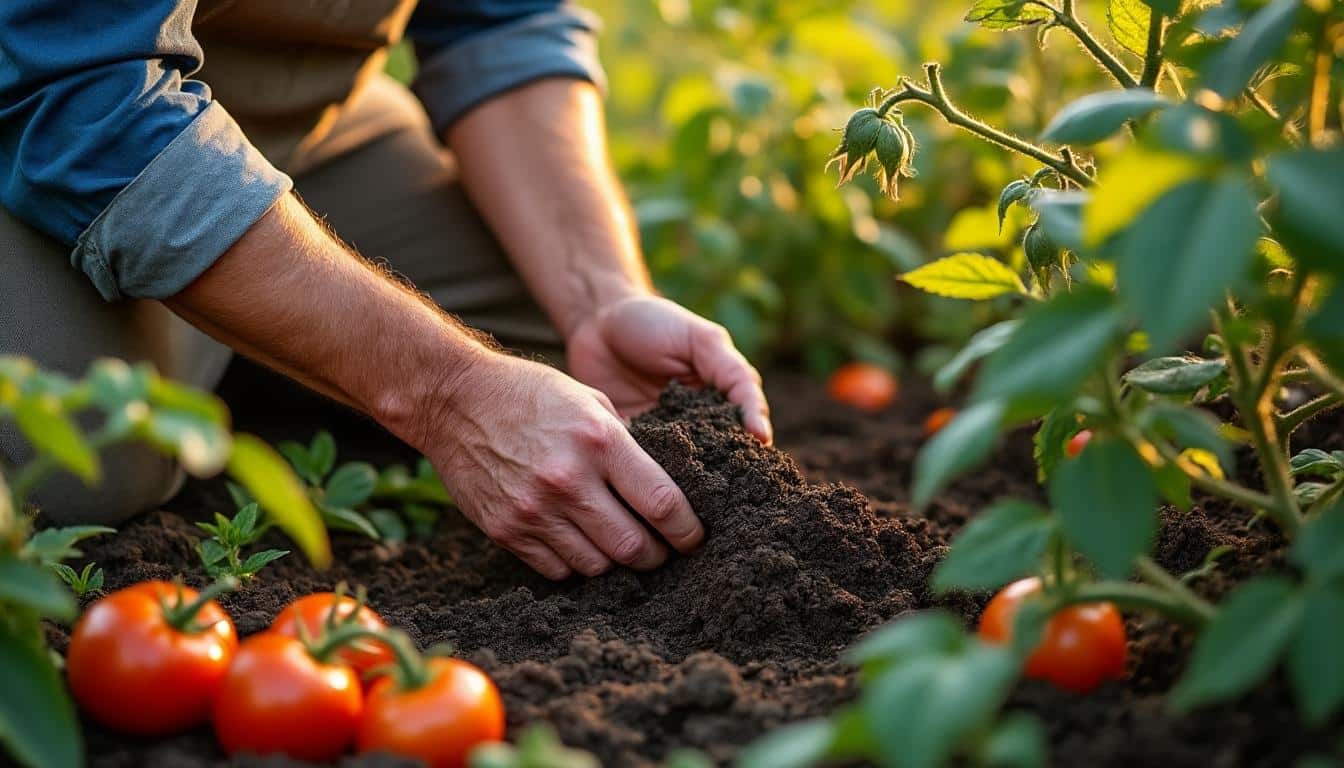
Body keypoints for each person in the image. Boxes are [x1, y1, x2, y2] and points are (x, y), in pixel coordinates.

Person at [0, 0, 771, 580]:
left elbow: (502, 22)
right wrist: (446, 391)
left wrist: (599, 297)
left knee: (558, 353)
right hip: (48, 116)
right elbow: (77, 89)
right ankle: (232, 336)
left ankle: (248, 336)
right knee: (82, 463)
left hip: (292, 116)